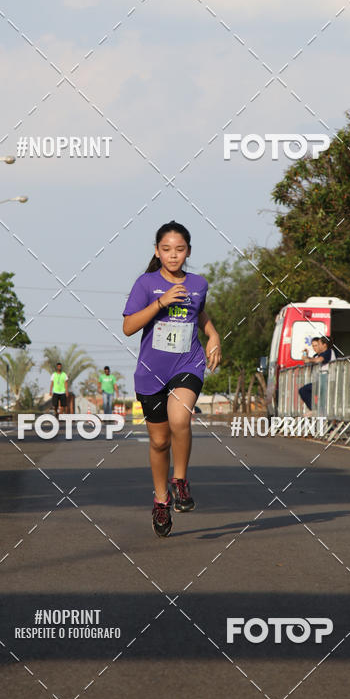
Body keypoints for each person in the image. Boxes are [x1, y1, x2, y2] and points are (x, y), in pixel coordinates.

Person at [122, 220, 221, 538]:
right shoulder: (146, 284)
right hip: (151, 371)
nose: (173, 255)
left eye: (179, 249)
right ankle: (161, 500)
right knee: (159, 441)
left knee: (181, 417)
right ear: (157, 251)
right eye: (166, 249)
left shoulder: (198, 283)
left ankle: (180, 481)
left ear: (188, 251)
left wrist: (213, 335)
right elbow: (128, 327)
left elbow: (200, 314)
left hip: (188, 364)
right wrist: (161, 302)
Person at [298, 336, 336, 410]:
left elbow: (319, 360)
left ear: (324, 345)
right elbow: (306, 360)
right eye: (314, 346)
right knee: (304, 391)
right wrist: (305, 354)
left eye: (318, 344)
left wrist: (310, 360)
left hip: (327, 380)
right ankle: (316, 410)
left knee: (304, 390)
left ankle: (316, 411)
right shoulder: (316, 355)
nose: (316, 347)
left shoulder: (329, 352)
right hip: (320, 380)